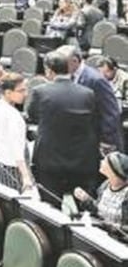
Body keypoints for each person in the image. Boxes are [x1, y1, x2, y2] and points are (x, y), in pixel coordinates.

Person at [30, 51, 99, 198]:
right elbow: (94, 121)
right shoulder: (88, 93)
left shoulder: (40, 92)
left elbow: (33, 116)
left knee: (50, 205)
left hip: (50, 158)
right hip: (81, 159)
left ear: (48, 70)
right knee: (82, 204)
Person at [64, 44, 123, 152]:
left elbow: (110, 112)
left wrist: (106, 140)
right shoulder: (68, 77)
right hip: (83, 139)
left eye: (63, 63)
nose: (60, 67)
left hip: (100, 141)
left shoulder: (95, 79)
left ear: (74, 60)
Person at [0, 72, 34, 192]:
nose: (26, 94)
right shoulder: (14, 116)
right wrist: (26, 177)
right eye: (21, 91)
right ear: (8, 92)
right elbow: (17, 150)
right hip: (12, 169)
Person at [73, 152, 128, 227]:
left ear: (113, 169)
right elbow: (99, 211)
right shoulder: (105, 185)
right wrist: (86, 199)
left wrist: (114, 227)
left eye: (105, 161)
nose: (101, 161)